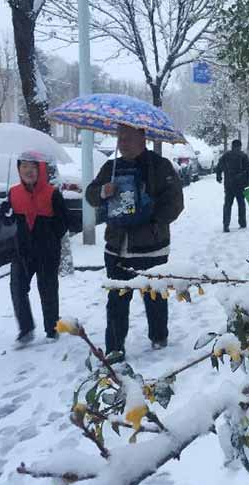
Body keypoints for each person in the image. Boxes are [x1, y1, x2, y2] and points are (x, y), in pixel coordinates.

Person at [85, 124, 184, 360]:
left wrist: (151, 219)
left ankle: (159, 337)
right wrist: (103, 192)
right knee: (116, 301)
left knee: (155, 297)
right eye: (120, 137)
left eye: (128, 137)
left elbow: (175, 203)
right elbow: (90, 195)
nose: (123, 142)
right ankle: (115, 349)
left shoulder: (160, 167)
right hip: (117, 248)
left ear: (143, 137)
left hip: (152, 249)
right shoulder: (111, 167)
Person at [0, 152, 70, 347]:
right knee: (17, 287)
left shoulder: (51, 193)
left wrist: (50, 235)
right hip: (21, 250)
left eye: (33, 167)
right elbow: (9, 220)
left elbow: (64, 222)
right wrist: (5, 212)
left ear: (40, 169)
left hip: (47, 250)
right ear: (18, 169)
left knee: (47, 288)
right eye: (24, 167)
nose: (28, 171)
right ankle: (26, 328)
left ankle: (52, 328)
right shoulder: (14, 193)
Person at [216, 139, 249, 232]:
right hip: (240, 185)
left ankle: (226, 225)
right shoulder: (243, 156)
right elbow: (248, 170)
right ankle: (242, 223)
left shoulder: (226, 155)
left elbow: (219, 166)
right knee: (241, 204)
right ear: (240, 146)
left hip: (228, 184)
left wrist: (219, 176)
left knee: (227, 205)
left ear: (232, 146)